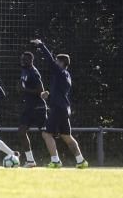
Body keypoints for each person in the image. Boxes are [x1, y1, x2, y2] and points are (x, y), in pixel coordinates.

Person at [30, 39, 88, 168]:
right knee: (67, 136)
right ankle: (81, 161)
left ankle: (55, 161)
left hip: (58, 108)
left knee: (46, 134)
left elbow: (50, 61)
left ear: (61, 63)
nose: (55, 62)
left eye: (57, 61)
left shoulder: (60, 72)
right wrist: (49, 93)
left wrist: (41, 45)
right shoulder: (66, 75)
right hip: (64, 108)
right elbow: (60, 91)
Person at [17, 50, 47, 168]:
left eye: (25, 59)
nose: (22, 61)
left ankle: (56, 158)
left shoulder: (34, 72)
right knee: (21, 132)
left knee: (46, 134)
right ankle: (30, 161)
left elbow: (41, 91)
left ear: (31, 60)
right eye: (22, 59)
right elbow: (24, 86)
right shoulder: (24, 71)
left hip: (38, 107)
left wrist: (24, 90)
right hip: (28, 107)